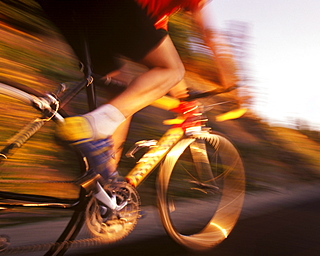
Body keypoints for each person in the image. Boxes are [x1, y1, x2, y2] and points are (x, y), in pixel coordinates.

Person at [36, 0, 223, 182]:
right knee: (173, 70)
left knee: (120, 92)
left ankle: (105, 191)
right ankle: (92, 127)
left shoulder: (155, 15)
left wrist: (184, 98)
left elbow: (159, 49)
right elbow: (206, 33)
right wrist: (227, 79)